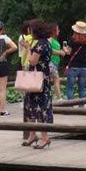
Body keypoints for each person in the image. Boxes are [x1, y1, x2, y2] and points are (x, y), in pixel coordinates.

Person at [23, 19, 54, 149]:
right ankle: (32, 135)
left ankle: (44, 137)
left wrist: (28, 48)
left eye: (31, 29)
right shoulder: (46, 43)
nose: (29, 31)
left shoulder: (40, 44)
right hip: (39, 78)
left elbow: (33, 61)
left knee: (40, 107)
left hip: (39, 80)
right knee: (30, 106)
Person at [63, 21, 86, 101]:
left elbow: (69, 52)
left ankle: (71, 107)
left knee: (70, 88)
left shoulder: (73, 40)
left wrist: (64, 49)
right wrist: (85, 58)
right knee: (81, 88)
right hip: (83, 67)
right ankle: (81, 107)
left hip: (73, 66)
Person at [49, 24, 64, 100]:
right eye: (57, 29)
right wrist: (60, 52)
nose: (59, 31)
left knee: (54, 79)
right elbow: (49, 50)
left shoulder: (54, 40)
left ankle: (53, 97)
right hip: (50, 62)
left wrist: (62, 51)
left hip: (55, 62)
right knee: (56, 79)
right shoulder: (49, 39)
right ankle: (59, 98)